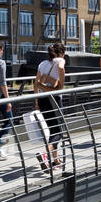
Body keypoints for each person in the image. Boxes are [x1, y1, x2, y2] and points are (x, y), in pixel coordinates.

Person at [34, 42, 67, 170]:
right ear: (61, 53)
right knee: (59, 131)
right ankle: (45, 154)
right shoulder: (60, 59)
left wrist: (36, 100)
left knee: (52, 130)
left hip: (42, 99)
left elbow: (36, 82)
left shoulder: (42, 64)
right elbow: (61, 67)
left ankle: (56, 160)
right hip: (53, 99)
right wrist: (62, 85)